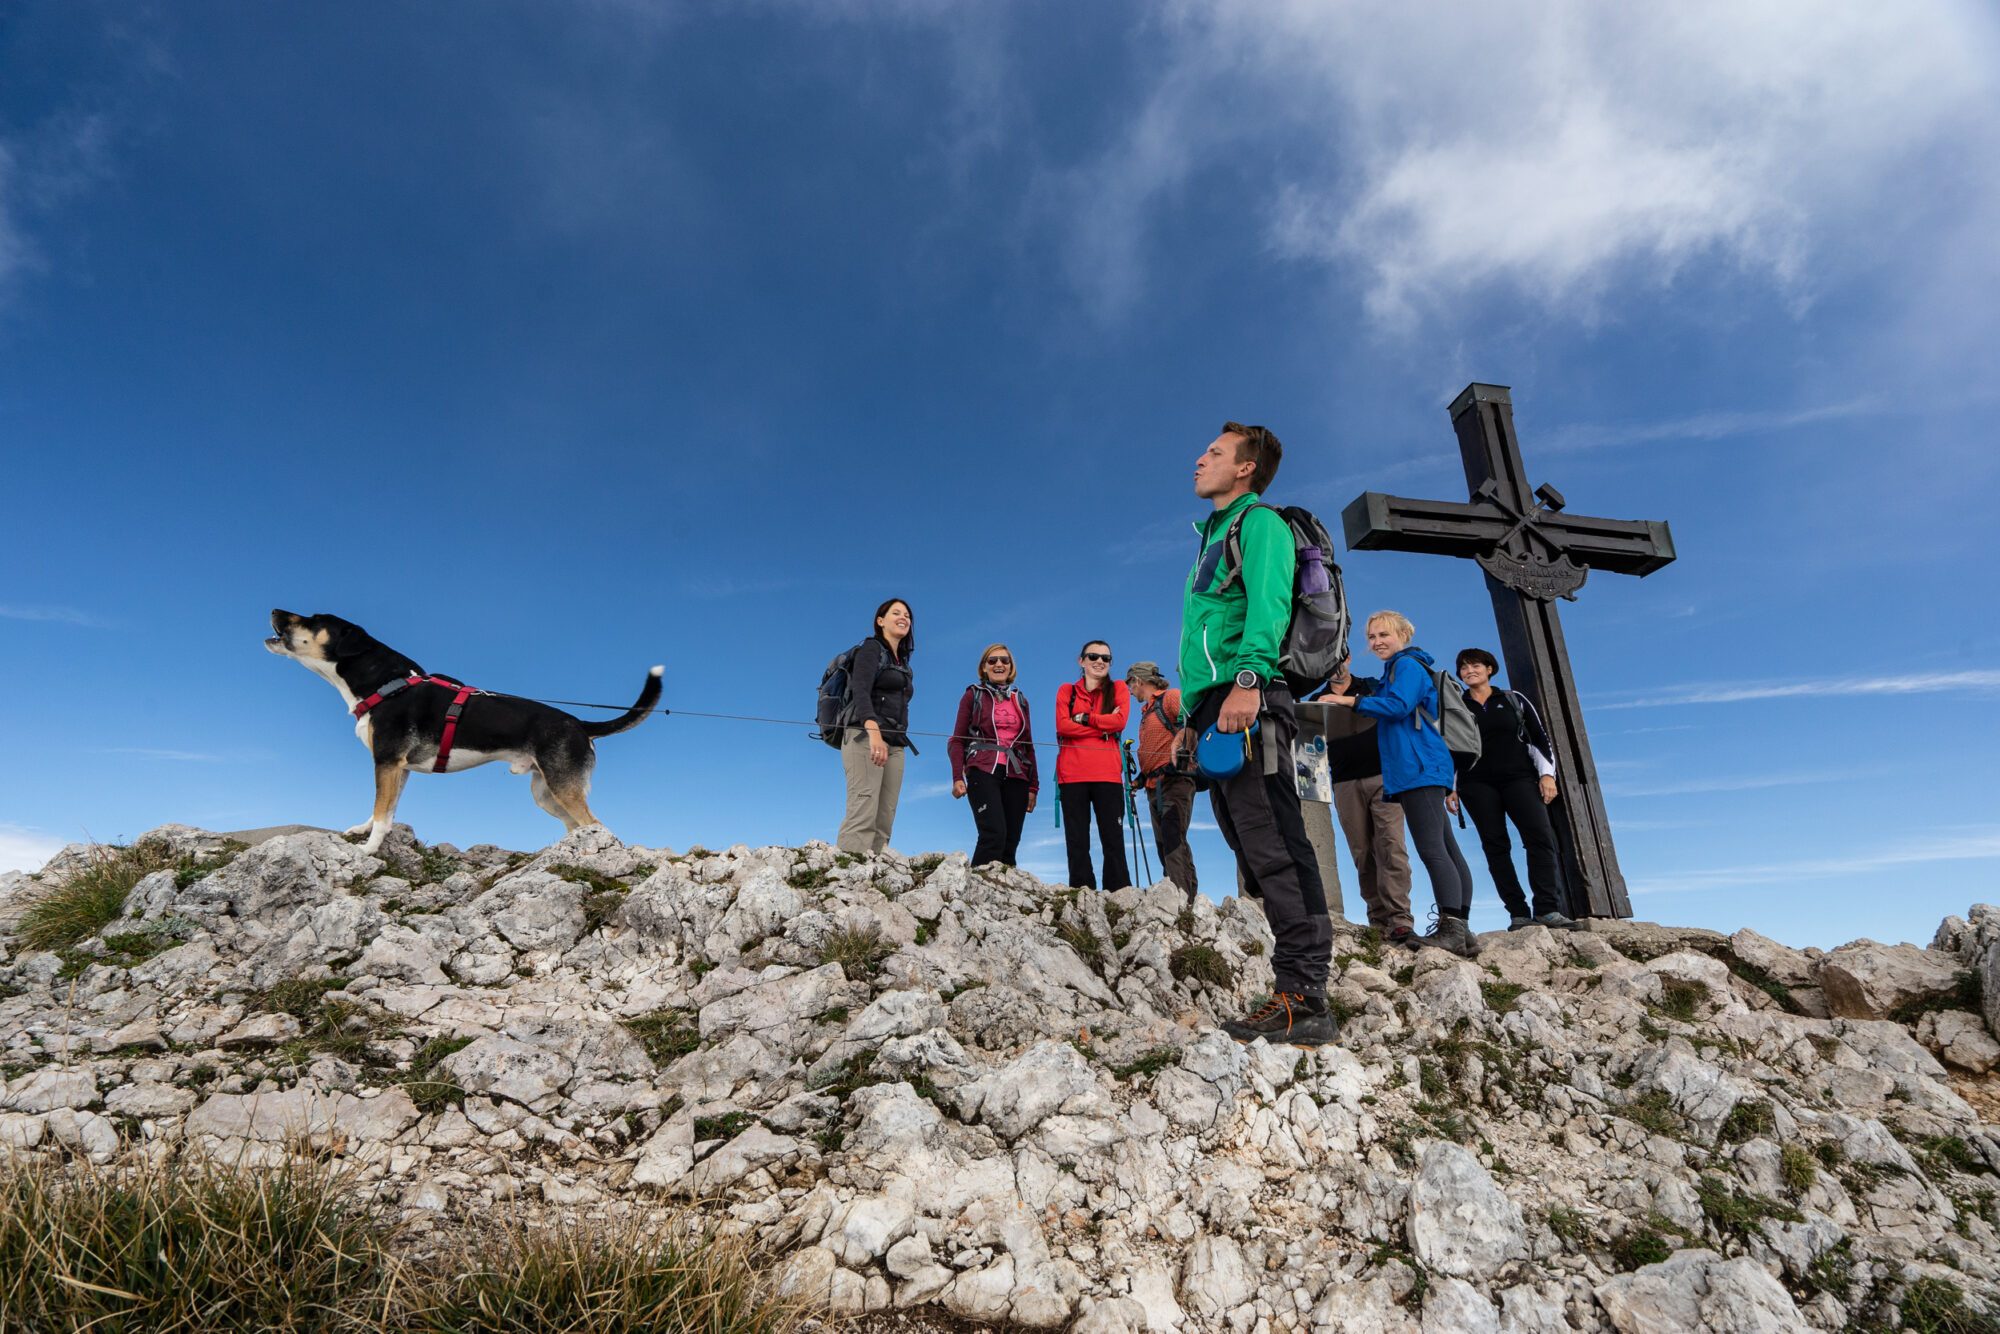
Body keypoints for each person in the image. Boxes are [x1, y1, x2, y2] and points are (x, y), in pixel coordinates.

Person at [1180, 422, 1334, 1045]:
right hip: (1217, 708)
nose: (1199, 459)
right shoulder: (1214, 535)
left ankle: (1305, 997)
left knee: (1275, 843)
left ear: (1244, 468)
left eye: (1213, 452)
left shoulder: (1258, 524)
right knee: (1251, 849)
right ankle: (1294, 990)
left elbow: (1270, 606)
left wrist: (1247, 681)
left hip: (1251, 700)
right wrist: (1198, 712)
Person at [1324, 611, 1480, 957]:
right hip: (1423, 766)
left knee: (1432, 850)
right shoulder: (1399, 668)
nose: (1377, 642)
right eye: (1372, 636)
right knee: (1448, 849)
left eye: (1384, 634)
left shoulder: (1405, 666)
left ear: (1402, 634)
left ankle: (1451, 928)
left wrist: (1348, 700)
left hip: (1417, 767)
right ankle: (1462, 930)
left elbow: (1398, 706)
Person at [1453, 648, 1579, 931]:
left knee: (1540, 838)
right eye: (1463, 668)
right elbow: (1449, 749)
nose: (1469, 671)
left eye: (1475, 665)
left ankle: (1547, 909)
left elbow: (1539, 738)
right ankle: (1518, 913)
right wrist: (1450, 789)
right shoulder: (1456, 706)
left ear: (1489, 669)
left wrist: (1548, 776)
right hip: (1475, 784)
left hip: (1519, 778)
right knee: (1495, 847)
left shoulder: (1513, 699)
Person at [1323, 662, 1416, 946]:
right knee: (1362, 851)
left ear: (1349, 659)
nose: (1336, 665)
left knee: (1391, 845)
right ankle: (1378, 919)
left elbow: (1398, 713)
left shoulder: (1374, 687)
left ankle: (1400, 919)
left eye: (1340, 658)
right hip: (1344, 782)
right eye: (1329, 661)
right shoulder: (1317, 699)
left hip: (1384, 776)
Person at [948, 643, 1039, 867]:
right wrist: (958, 777)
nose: (999, 664)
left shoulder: (1021, 700)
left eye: (1004, 660)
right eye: (992, 660)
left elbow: (1028, 746)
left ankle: (1003, 898)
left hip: (1017, 773)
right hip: (983, 768)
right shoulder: (973, 695)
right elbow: (957, 740)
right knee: (993, 834)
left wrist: (1033, 787)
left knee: (1010, 841)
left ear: (1011, 667)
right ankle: (975, 892)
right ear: (984, 667)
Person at [837, 598, 914, 856]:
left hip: (896, 743)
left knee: (885, 813)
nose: (904, 617)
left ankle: (876, 874)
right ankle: (848, 872)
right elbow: (860, 690)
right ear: (880, 621)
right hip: (865, 736)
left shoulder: (902, 664)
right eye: (896, 613)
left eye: (907, 614)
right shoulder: (871, 648)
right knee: (864, 806)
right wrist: (874, 733)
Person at [1055, 641, 1132, 891]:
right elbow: (1063, 726)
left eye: (1106, 658)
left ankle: (1119, 891)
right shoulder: (1067, 691)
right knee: (1077, 839)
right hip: (1072, 775)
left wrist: (1086, 718)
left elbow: (1120, 722)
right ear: (1081, 661)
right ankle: (1081, 890)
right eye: (1093, 656)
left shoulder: (1118, 687)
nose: (1100, 661)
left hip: (1108, 774)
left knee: (1113, 837)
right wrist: (1101, 726)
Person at [1126, 661, 1197, 900]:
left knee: (1173, 837)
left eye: (1129, 684)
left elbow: (1191, 722)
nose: (1129, 690)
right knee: (1163, 844)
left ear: (1138, 680)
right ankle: (1178, 895)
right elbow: (1154, 749)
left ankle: (1183, 899)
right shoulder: (1147, 712)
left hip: (1176, 780)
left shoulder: (1170, 698)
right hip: (1153, 786)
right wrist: (1139, 779)